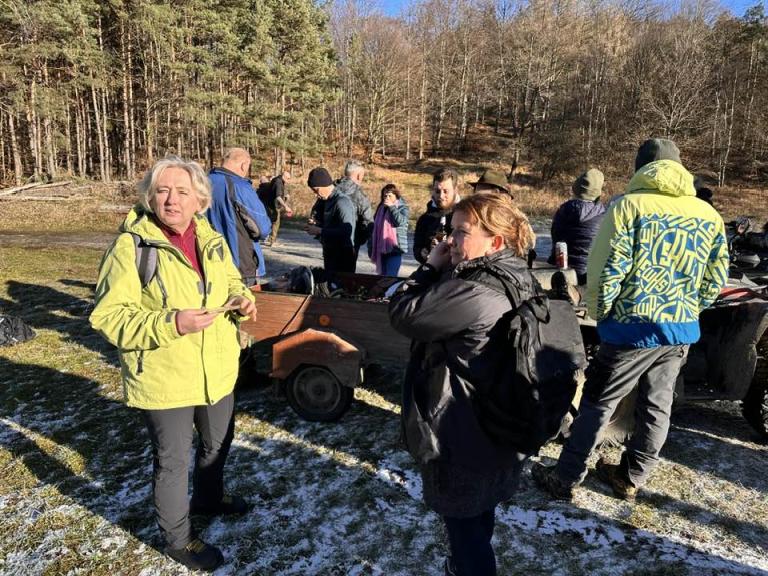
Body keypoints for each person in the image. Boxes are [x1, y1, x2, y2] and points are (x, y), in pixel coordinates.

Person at [532, 138, 729, 502]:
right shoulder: (708, 215)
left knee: (598, 401)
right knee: (657, 404)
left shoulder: (628, 208)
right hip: (679, 330)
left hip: (631, 327)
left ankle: (566, 475)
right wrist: (688, 309)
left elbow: (606, 269)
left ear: (641, 168)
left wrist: (600, 312)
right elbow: (715, 278)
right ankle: (631, 477)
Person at [89, 156, 257, 572]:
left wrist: (241, 299)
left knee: (217, 443)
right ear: (150, 196)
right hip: (164, 374)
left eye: (182, 191)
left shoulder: (210, 235)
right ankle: (178, 540)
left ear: (200, 199)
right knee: (174, 460)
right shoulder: (132, 246)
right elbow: (107, 316)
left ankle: (209, 498)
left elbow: (231, 280)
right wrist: (171, 323)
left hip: (216, 367)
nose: (171, 199)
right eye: (163, 190)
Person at [389, 193, 537, 576]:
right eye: (449, 231)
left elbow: (403, 313)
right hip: (494, 425)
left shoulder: (476, 290)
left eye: (460, 232)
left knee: (466, 530)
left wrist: (426, 268)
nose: (448, 241)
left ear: (496, 242)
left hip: (462, 432)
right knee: (476, 515)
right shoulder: (515, 273)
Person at [208, 148, 272, 286]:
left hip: (207, 263)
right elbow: (262, 229)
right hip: (239, 264)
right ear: (244, 165)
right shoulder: (240, 187)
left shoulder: (201, 182)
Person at [547, 168, 607, 285]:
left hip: (561, 270)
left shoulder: (563, 209)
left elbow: (555, 236)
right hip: (589, 272)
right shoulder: (603, 215)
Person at [304, 166, 357, 273]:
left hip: (343, 255)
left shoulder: (341, 201)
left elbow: (346, 231)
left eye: (316, 190)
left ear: (324, 185)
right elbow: (331, 225)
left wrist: (319, 231)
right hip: (330, 252)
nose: (315, 195)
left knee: (340, 288)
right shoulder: (327, 201)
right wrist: (317, 224)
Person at [413, 167, 461, 264]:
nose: (441, 196)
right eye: (437, 191)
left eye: (446, 191)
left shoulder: (467, 216)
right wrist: (422, 253)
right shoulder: (424, 219)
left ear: (455, 190)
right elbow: (417, 247)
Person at [333, 160, 374, 269]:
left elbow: (317, 213)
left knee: (329, 275)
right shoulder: (360, 195)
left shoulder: (331, 189)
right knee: (346, 278)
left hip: (330, 241)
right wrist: (360, 240)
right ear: (359, 176)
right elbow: (368, 221)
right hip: (350, 243)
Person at [369, 184, 410, 276]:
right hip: (381, 249)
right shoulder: (381, 209)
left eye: (390, 196)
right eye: (385, 196)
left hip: (395, 249)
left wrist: (392, 207)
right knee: (381, 278)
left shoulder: (402, 208)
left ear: (396, 196)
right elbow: (374, 229)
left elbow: (401, 222)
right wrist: (371, 247)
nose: (387, 198)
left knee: (390, 277)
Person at [260, 170, 294, 247]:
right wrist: (286, 207)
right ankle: (272, 241)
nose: (288, 180)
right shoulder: (278, 182)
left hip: (272, 204)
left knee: (272, 221)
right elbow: (278, 196)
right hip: (272, 205)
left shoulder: (279, 180)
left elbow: (280, 193)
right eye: (288, 178)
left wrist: (286, 197)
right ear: (284, 176)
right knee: (275, 222)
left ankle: (269, 239)